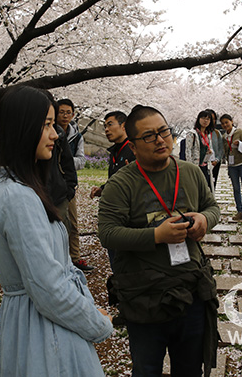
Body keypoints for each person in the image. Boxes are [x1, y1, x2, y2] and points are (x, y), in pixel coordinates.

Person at [0, 86, 112, 376]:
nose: (56, 134)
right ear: (22, 128)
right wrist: (97, 322)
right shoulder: (18, 197)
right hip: (43, 330)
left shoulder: (23, 189)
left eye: (53, 124)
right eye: (45, 125)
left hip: (43, 322)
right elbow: (48, 288)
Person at [98, 105, 220, 377]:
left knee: (190, 369)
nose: (161, 140)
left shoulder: (190, 172)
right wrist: (156, 235)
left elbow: (212, 207)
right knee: (147, 369)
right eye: (149, 136)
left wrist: (203, 220)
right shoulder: (121, 184)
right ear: (133, 145)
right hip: (145, 296)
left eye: (164, 131)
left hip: (190, 291)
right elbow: (107, 233)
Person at [56, 98, 93, 271]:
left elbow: (81, 161)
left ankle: (75, 257)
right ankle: (58, 258)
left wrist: (65, 161)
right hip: (49, 183)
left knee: (72, 222)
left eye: (68, 112)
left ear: (73, 114)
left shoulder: (76, 137)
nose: (64, 115)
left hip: (67, 184)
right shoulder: (50, 131)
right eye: (61, 112)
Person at [90, 111, 136, 199]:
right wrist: (102, 189)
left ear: (123, 126)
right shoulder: (114, 151)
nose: (106, 129)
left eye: (110, 124)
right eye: (105, 126)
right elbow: (115, 179)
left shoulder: (134, 149)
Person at [219, 113, 242, 221]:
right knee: (236, 189)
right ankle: (240, 212)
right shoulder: (224, 137)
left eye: (227, 122)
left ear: (231, 121)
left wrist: (239, 143)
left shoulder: (239, 132)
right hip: (232, 166)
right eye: (223, 124)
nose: (225, 125)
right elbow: (225, 150)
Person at [184, 110, 219, 192]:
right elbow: (188, 151)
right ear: (198, 119)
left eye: (208, 119)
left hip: (204, 165)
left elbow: (209, 147)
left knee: (204, 188)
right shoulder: (192, 134)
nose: (205, 121)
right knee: (195, 188)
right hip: (195, 166)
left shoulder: (208, 134)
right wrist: (190, 166)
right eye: (203, 118)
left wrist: (210, 152)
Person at [205, 109, 224, 189]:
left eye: (213, 119)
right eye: (209, 118)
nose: (211, 121)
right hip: (204, 163)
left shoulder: (216, 133)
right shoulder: (200, 132)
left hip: (215, 162)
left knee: (213, 184)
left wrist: (217, 160)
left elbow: (221, 148)